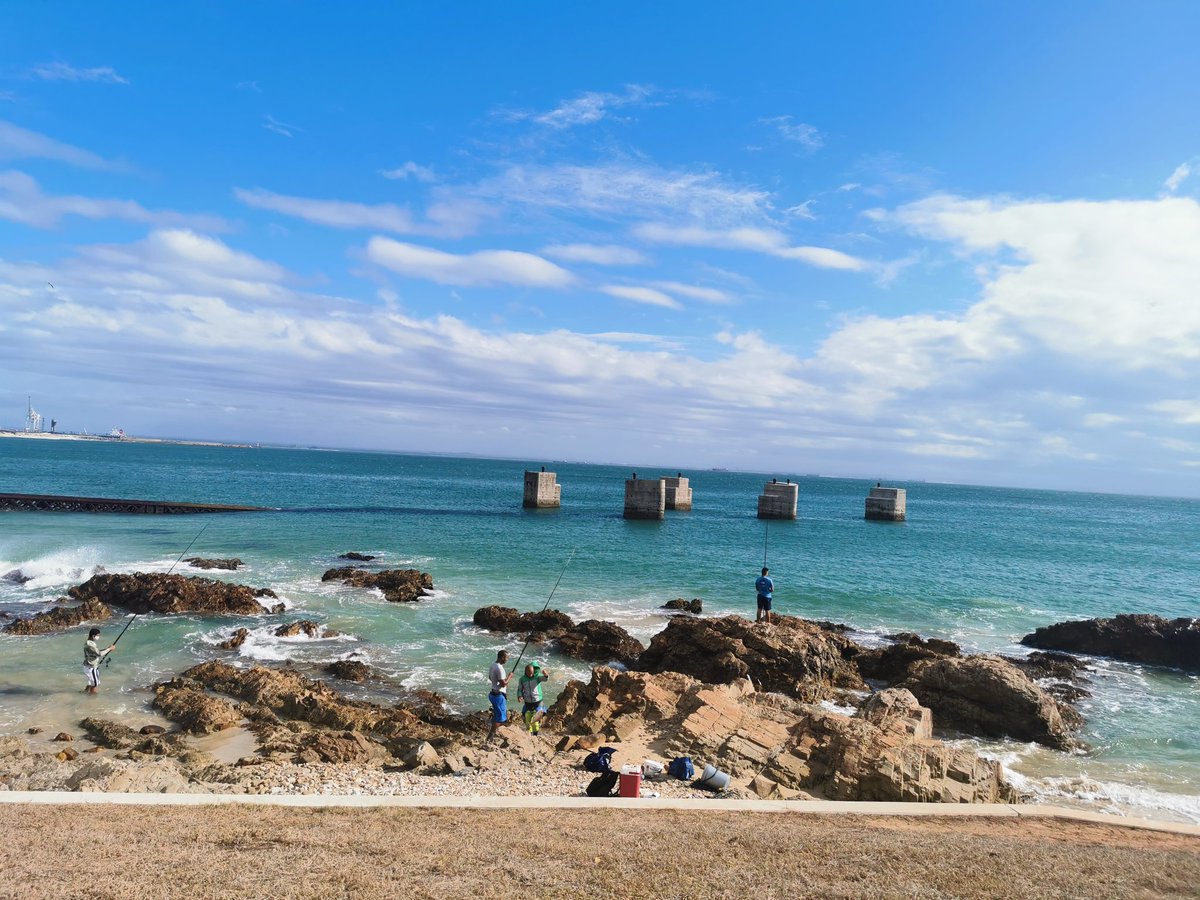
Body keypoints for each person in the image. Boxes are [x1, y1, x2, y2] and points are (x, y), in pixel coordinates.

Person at [486, 650, 512, 742]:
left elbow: (490, 677)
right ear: (502, 657)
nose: (507, 659)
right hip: (498, 696)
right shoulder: (500, 669)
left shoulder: (493, 664)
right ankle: (490, 737)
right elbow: (503, 684)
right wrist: (509, 677)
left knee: (497, 716)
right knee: (500, 719)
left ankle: (495, 734)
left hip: (493, 693)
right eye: (506, 658)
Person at [517, 662, 550, 735]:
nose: (530, 674)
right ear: (525, 671)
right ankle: (530, 734)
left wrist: (546, 675)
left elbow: (545, 679)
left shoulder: (537, 677)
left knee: (535, 718)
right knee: (528, 719)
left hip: (538, 701)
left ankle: (535, 734)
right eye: (529, 673)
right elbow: (520, 689)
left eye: (532, 673)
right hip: (528, 702)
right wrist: (519, 696)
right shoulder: (522, 679)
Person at [83, 627, 115, 694]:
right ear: (93, 636)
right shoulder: (90, 644)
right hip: (91, 667)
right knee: (95, 684)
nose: (98, 637)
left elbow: (96, 652)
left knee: (90, 683)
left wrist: (107, 648)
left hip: (89, 666)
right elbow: (99, 654)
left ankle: (84, 694)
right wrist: (109, 649)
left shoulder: (90, 643)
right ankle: (92, 699)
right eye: (97, 635)